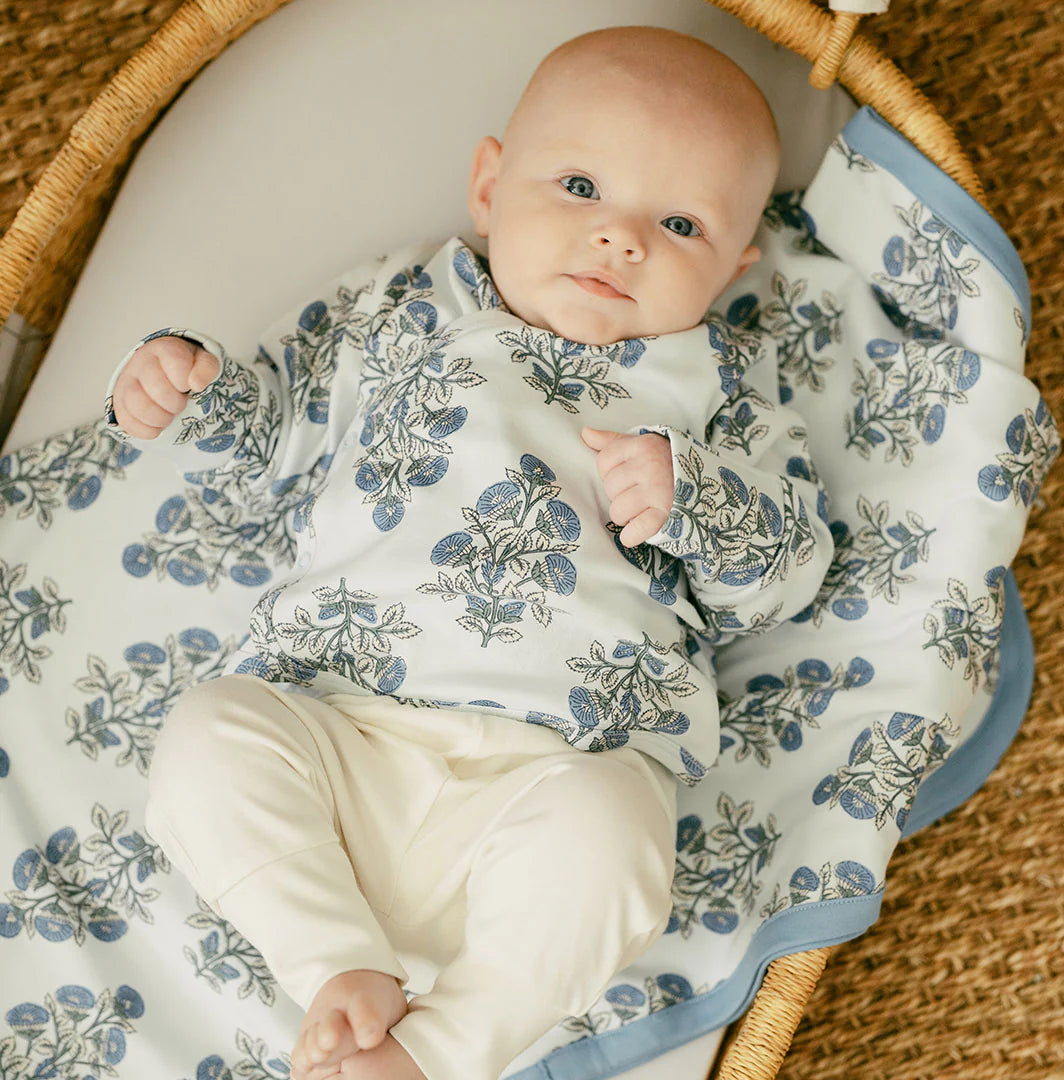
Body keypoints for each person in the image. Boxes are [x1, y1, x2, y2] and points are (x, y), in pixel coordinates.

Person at [104, 25, 833, 1080]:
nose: (621, 238)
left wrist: (695, 501)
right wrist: (193, 389)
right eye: (580, 184)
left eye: (678, 223)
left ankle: (442, 1051)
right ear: (489, 186)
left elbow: (792, 566)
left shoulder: (722, 393)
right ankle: (339, 967)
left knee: (621, 835)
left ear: (731, 268)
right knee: (207, 736)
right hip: (340, 735)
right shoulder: (402, 314)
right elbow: (280, 429)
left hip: (556, 777)